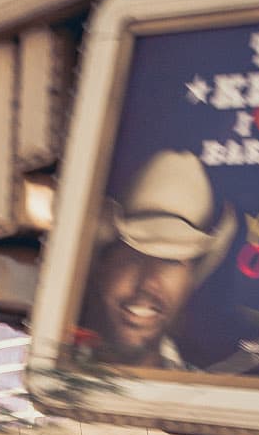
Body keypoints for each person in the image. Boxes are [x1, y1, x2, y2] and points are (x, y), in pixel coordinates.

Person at [76, 151, 234, 369]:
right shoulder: (45, 365)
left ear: (190, 280)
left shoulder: (208, 397)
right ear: (103, 266)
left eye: (171, 261)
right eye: (134, 258)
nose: (149, 282)